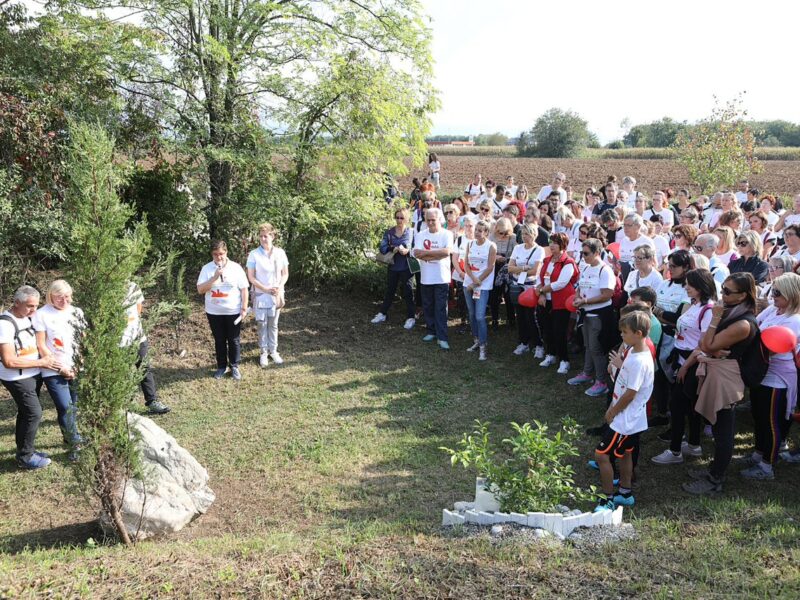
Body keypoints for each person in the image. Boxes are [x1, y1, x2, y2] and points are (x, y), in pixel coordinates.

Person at [683, 273, 759, 495]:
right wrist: (712, 347)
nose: (722, 295)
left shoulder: (743, 323)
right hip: (718, 369)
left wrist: (715, 320)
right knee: (716, 425)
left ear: (743, 295)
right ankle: (713, 471)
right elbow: (703, 342)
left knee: (723, 428)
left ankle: (716, 478)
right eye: (722, 288)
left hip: (726, 377)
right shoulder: (731, 312)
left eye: (727, 291)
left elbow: (706, 345)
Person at [651, 269, 717, 466]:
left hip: (692, 363)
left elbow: (704, 344)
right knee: (688, 405)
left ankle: (675, 450)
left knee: (678, 406)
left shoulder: (708, 310)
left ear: (701, 286)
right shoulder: (695, 305)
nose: (686, 287)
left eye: (690, 284)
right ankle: (694, 444)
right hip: (682, 359)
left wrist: (686, 367)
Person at [742, 273, 800, 480]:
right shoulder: (774, 310)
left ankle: (767, 466)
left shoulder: (794, 320)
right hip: (761, 372)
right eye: (772, 291)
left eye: (777, 292)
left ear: (791, 294)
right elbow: (754, 326)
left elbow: (768, 347)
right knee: (759, 416)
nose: (772, 296)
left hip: (778, 377)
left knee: (772, 422)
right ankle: (758, 453)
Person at [594, 311, 654, 511]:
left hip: (625, 418)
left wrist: (612, 411)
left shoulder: (639, 361)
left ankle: (607, 498)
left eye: (625, 332)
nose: (621, 335)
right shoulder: (634, 351)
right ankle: (625, 493)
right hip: (634, 417)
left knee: (602, 455)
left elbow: (630, 393)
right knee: (626, 453)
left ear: (638, 333)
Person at [1, 286, 63, 469]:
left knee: (26, 413)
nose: (34, 310)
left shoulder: (27, 317)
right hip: (17, 378)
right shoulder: (5, 324)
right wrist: (41, 363)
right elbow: (9, 361)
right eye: (29, 306)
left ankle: (25, 451)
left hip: (32, 374)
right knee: (33, 413)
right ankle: (26, 457)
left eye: (36, 306)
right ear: (17, 302)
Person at [32, 280, 83, 452]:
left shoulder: (77, 312)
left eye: (67, 297)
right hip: (53, 369)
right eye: (59, 297)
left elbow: (82, 341)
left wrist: (78, 364)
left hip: (76, 367)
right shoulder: (41, 314)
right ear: (50, 296)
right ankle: (74, 443)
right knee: (65, 406)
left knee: (73, 406)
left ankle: (70, 438)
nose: (64, 301)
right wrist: (60, 368)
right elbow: (41, 345)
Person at [568, 238, 615, 397]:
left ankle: (601, 381)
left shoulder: (605, 270)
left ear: (596, 252)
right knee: (588, 345)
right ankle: (587, 373)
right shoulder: (586, 268)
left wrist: (586, 301)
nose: (583, 256)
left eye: (586, 253)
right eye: (582, 253)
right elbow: (579, 287)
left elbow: (607, 294)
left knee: (596, 347)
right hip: (585, 313)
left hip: (599, 315)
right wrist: (577, 298)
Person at [651, 250, 692, 428]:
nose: (670, 269)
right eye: (669, 265)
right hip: (658, 333)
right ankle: (661, 412)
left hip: (675, 338)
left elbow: (678, 318)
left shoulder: (687, 289)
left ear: (686, 267)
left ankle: (677, 418)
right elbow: (652, 308)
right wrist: (661, 313)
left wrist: (659, 312)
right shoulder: (663, 284)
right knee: (659, 374)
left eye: (674, 266)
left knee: (672, 377)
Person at [197, 240, 250, 380]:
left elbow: (244, 289)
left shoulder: (236, 268)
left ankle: (234, 366)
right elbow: (200, 290)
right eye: (215, 254)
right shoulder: (207, 269)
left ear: (226, 252)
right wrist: (214, 277)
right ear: (212, 254)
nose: (219, 257)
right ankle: (221, 366)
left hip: (233, 311)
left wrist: (244, 307)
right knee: (219, 340)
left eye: (221, 254)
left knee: (234, 340)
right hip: (214, 312)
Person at [121, 282, 171, 414]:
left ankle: (152, 401)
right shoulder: (108, 288)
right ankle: (126, 404)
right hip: (119, 342)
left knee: (144, 369)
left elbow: (138, 308)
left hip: (138, 338)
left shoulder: (133, 286)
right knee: (123, 372)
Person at [247, 222, 289, 367]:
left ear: (272, 236)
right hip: (260, 294)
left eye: (266, 236)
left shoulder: (280, 253)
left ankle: (274, 351)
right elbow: (251, 277)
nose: (263, 239)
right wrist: (265, 288)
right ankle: (263, 352)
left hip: (276, 294)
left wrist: (278, 286)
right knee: (261, 324)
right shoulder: (253, 254)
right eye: (261, 236)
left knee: (274, 324)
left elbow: (285, 274)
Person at [536, 233, 577, 374]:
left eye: (555, 243)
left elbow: (561, 283)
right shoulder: (547, 260)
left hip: (560, 302)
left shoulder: (568, 262)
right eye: (550, 242)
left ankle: (564, 360)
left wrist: (541, 289)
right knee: (547, 329)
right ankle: (551, 355)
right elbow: (539, 278)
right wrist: (541, 293)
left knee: (559, 332)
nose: (552, 245)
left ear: (563, 245)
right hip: (545, 301)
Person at [412, 208, 454, 350]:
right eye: (428, 220)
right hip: (426, 277)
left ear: (439, 219)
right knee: (428, 306)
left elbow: (446, 252)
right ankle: (431, 331)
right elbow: (417, 253)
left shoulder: (447, 234)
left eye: (433, 220)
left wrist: (426, 254)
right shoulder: (420, 235)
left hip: (441, 277)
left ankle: (442, 337)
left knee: (441, 308)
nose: (430, 223)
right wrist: (435, 254)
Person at [508, 224, 545, 357]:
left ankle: (538, 344)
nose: (524, 237)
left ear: (534, 235)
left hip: (531, 286)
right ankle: (523, 342)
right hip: (518, 285)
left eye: (527, 234)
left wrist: (520, 269)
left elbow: (535, 270)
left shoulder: (539, 250)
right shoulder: (518, 248)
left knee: (531, 317)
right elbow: (510, 268)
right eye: (523, 234)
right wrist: (524, 269)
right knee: (520, 316)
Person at [463, 221, 496, 360]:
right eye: (476, 229)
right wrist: (471, 278)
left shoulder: (491, 246)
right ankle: (476, 340)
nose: (477, 232)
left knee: (479, 316)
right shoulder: (470, 244)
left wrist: (478, 281)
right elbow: (466, 264)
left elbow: (490, 267)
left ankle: (483, 345)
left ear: (487, 233)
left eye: (481, 230)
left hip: (482, 285)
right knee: (471, 314)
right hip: (468, 283)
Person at [488, 217, 517, 330]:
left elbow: (517, 253)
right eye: (500, 232)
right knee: (494, 294)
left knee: (509, 294)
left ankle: (511, 319)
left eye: (505, 233)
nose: (503, 235)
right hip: (495, 267)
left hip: (508, 266)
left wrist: (507, 259)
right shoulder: (491, 237)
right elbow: (487, 253)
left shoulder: (513, 238)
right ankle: (495, 318)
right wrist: (495, 257)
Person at [451, 217, 476, 332]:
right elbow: (454, 258)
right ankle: (463, 321)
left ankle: (474, 322)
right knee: (462, 299)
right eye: (466, 225)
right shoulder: (460, 240)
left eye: (471, 226)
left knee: (475, 299)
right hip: (461, 275)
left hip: (475, 276)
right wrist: (460, 272)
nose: (468, 228)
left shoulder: (479, 240)